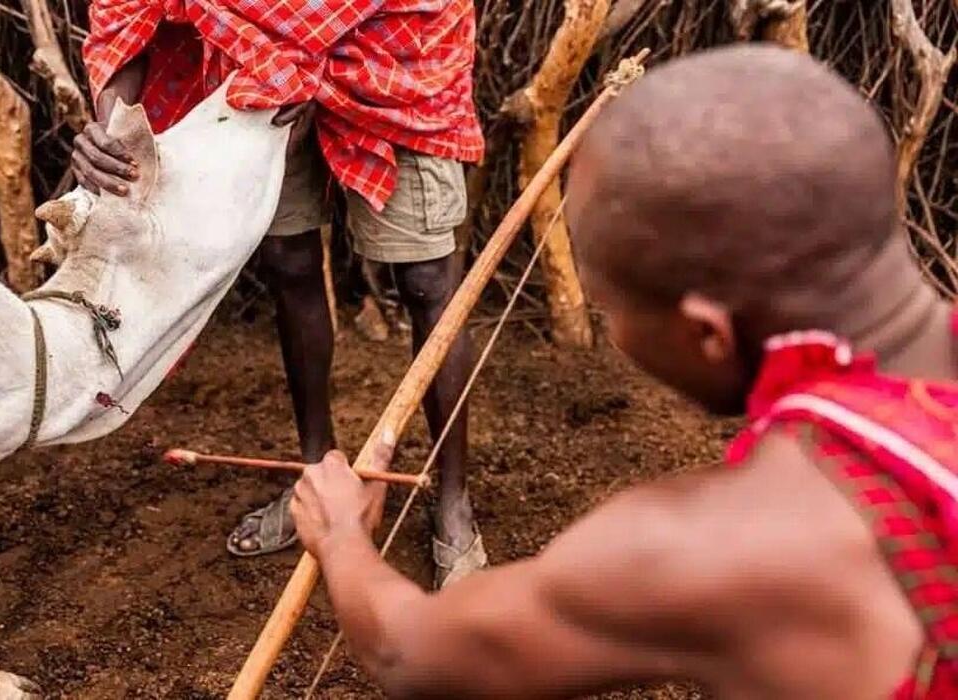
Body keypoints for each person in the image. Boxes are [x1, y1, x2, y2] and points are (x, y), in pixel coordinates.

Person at [289, 45, 958, 698]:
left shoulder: (713, 549)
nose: (611, 329)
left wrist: (342, 536)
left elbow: (410, 650)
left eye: (609, 308)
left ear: (708, 334)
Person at [77, 0, 486, 587]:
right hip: (261, 70)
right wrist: (117, 130)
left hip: (397, 58)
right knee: (287, 262)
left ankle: (453, 501)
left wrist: (298, 46)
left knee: (426, 281)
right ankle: (314, 471)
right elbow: (129, 7)